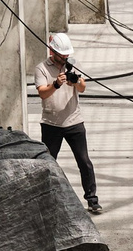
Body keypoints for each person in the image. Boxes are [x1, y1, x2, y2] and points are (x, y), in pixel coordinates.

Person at [37, 31, 100, 213]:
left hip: (74, 121)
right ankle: (45, 199)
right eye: (62, 56)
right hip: (51, 124)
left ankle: (92, 199)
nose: (65, 59)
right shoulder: (41, 68)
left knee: (84, 161)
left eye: (67, 55)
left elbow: (83, 87)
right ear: (52, 52)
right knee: (48, 163)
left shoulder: (73, 64)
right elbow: (42, 93)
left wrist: (76, 81)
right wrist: (56, 84)